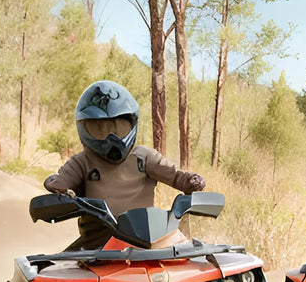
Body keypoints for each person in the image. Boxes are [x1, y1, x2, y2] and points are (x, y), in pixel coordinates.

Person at [43, 80, 206, 250]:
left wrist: (190, 181)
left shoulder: (144, 157)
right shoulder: (83, 161)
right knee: (48, 266)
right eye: (100, 128)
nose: (111, 138)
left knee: (191, 255)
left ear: (132, 123)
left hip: (147, 243)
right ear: (84, 127)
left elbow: (176, 176)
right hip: (97, 247)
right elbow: (63, 180)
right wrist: (57, 185)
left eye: (118, 127)